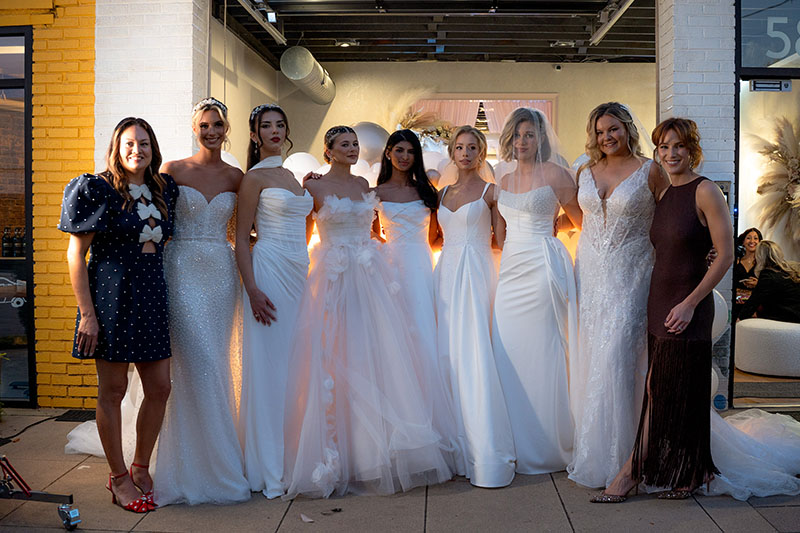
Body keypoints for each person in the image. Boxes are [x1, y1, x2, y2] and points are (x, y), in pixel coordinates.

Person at [283, 126, 453, 499]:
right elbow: (302, 234)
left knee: (376, 355)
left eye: (355, 144)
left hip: (371, 274)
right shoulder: (312, 187)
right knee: (338, 356)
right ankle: (344, 453)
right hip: (334, 275)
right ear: (328, 150)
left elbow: (375, 229)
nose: (352, 148)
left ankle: (377, 451)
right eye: (344, 144)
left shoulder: (364, 186)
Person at [593, 117, 733, 502]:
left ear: (692, 150)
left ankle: (632, 472)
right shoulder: (664, 192)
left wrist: (690, 303)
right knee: (669, 390)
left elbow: (725, 255)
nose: (671, 154)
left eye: (679, 146)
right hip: (659, 301)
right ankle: (692, 469)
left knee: (665, 389)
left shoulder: (706, 191)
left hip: (688, 305)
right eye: (664, 147)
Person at [59, 117, 178, 512]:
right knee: (113, 391)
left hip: (152, 294)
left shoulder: (164, 188)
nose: (136, 150)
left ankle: (141, 466)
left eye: (143, 143)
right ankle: (119, 477)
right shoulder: (97, 188)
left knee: (160, 387)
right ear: (116, 147)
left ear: (152, 148)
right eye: (129, 143)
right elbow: (76, 254)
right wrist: (87, 315)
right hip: (111, 297)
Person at [568, 102, 670, 490]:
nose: (606, 137)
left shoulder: (651, 170)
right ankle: (597, 453)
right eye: (599, 131)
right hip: (591, 274)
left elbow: (671, 220)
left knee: (619, 358)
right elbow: (584, 220)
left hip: (632, 275)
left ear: (627, 129)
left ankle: (629, 462)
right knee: (594, 357)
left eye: (613, 129)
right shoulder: (585, 171)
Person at [153, 97, 250, 505]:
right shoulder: (172, 170)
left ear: (227, 130)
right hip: (180, 271)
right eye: (204, 125)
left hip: (221, 273)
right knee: (196, 361)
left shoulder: (236, 176)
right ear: (194, 128)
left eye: (217, 125)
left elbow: (249, 225)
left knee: (217, 359)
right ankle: (195, 462)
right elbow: (154, 221)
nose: (211, 131)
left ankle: (219, 452)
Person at [491, 108, 581, 474]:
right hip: (512, 271)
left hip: (543, 269)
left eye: (529, 134)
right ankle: (515, 439)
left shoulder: (556, 174)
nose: (522, 141)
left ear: (541, 138)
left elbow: (582, 221)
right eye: (517, 135)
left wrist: (553, 233)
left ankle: (548, 444)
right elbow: (500, 235)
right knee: (508, 350)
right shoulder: (503, 179)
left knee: (544, 351)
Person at [373, 129, 464, 475]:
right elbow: (368, 232)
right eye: (399, 150)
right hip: (390, 270)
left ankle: (432, 427)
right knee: (395, 345)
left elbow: (438, 236)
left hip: (421, 269)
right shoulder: (375, 194)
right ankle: (399, 431)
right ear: (388, 153)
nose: (404, 157)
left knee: (425, 340)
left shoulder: (427, 192)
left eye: (410, 151)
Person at [236, 103, 314, 499]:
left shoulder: (291, 176)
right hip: (268, 272)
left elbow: (305, 223)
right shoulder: (254, 178)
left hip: (299, 272)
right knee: (270, 369)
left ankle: (294, 454)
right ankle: (269, 466)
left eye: (280, 124)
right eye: (266, 126)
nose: (274, 131)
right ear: (254, 135)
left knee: (295, 367)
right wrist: (252, 289)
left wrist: (310, 186)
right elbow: (241, 240)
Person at [434, 125, 516, 488]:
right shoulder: (441, 194)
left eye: (472, 147)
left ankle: (482, 445)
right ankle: (451, 445)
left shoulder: (491, 192)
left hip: (477, 271)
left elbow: (502, 240)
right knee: (446, 353)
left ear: (481, 153)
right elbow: (434, 237)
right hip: (446, 274)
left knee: (474, 350)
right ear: (452, 152)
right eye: (459, 147)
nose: (465, 153)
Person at [738, 240, 800, 323]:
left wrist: (739, 320)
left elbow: (752, 303)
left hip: (784, 320)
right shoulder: (789, 270)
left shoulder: (768, 275)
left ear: (759, 257)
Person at [732, 228, 762, 320]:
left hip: (755, 309)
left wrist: (758, 284)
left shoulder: (762, 264)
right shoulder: (735, 262)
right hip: (736, 306)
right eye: (748, 238)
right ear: (743, 242)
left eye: (755, 238)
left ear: (760, 242)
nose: (752, 241)